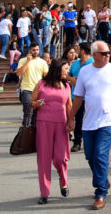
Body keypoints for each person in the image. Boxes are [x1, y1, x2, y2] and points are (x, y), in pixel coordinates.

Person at [67, 41, 111, 210]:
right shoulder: (84, 72)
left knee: (100, 154)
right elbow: (78, 97)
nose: (107, 55)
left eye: (108, 53)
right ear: (95, 54)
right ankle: (103, 179)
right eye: (104, 53)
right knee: (90, 155)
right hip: (89, 122)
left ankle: (100, 192)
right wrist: (71, 117)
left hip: (108, 120)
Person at [32, 58, 72, 205]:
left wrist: (71, 120)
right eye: (66, 69)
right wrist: (36, 104)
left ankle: (63, 181)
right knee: (44, 158)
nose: (68, 71)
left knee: (61, 158)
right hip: (44, 123)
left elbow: (69, 105)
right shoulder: (41, 84)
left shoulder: (66, 86)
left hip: (61, 125)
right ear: (58, 69)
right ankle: (44, 192)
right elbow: (32, 103)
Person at [68, 43, 94, 153]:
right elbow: (66, 75)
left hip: (90, 97)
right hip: (76, 96)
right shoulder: (75, 63)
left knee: (90, 120)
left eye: (77, 49)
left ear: (82, 51)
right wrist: (71, 79)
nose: (75, 50)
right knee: (78, 120)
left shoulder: (93, 63)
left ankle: (91, 142)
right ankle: (77, 142)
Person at [17, 43, 49, 127]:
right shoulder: (23, 60)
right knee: (28, 112)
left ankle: (34, 134)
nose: (35, 52)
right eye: (33, 50)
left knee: (36, 114)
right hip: (27, 89)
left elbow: (46, 76)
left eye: (37, 50)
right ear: (30, 50)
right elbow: (19, 73)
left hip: (39, 90)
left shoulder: (42, 62)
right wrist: (28, 61)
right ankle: (25, 133)